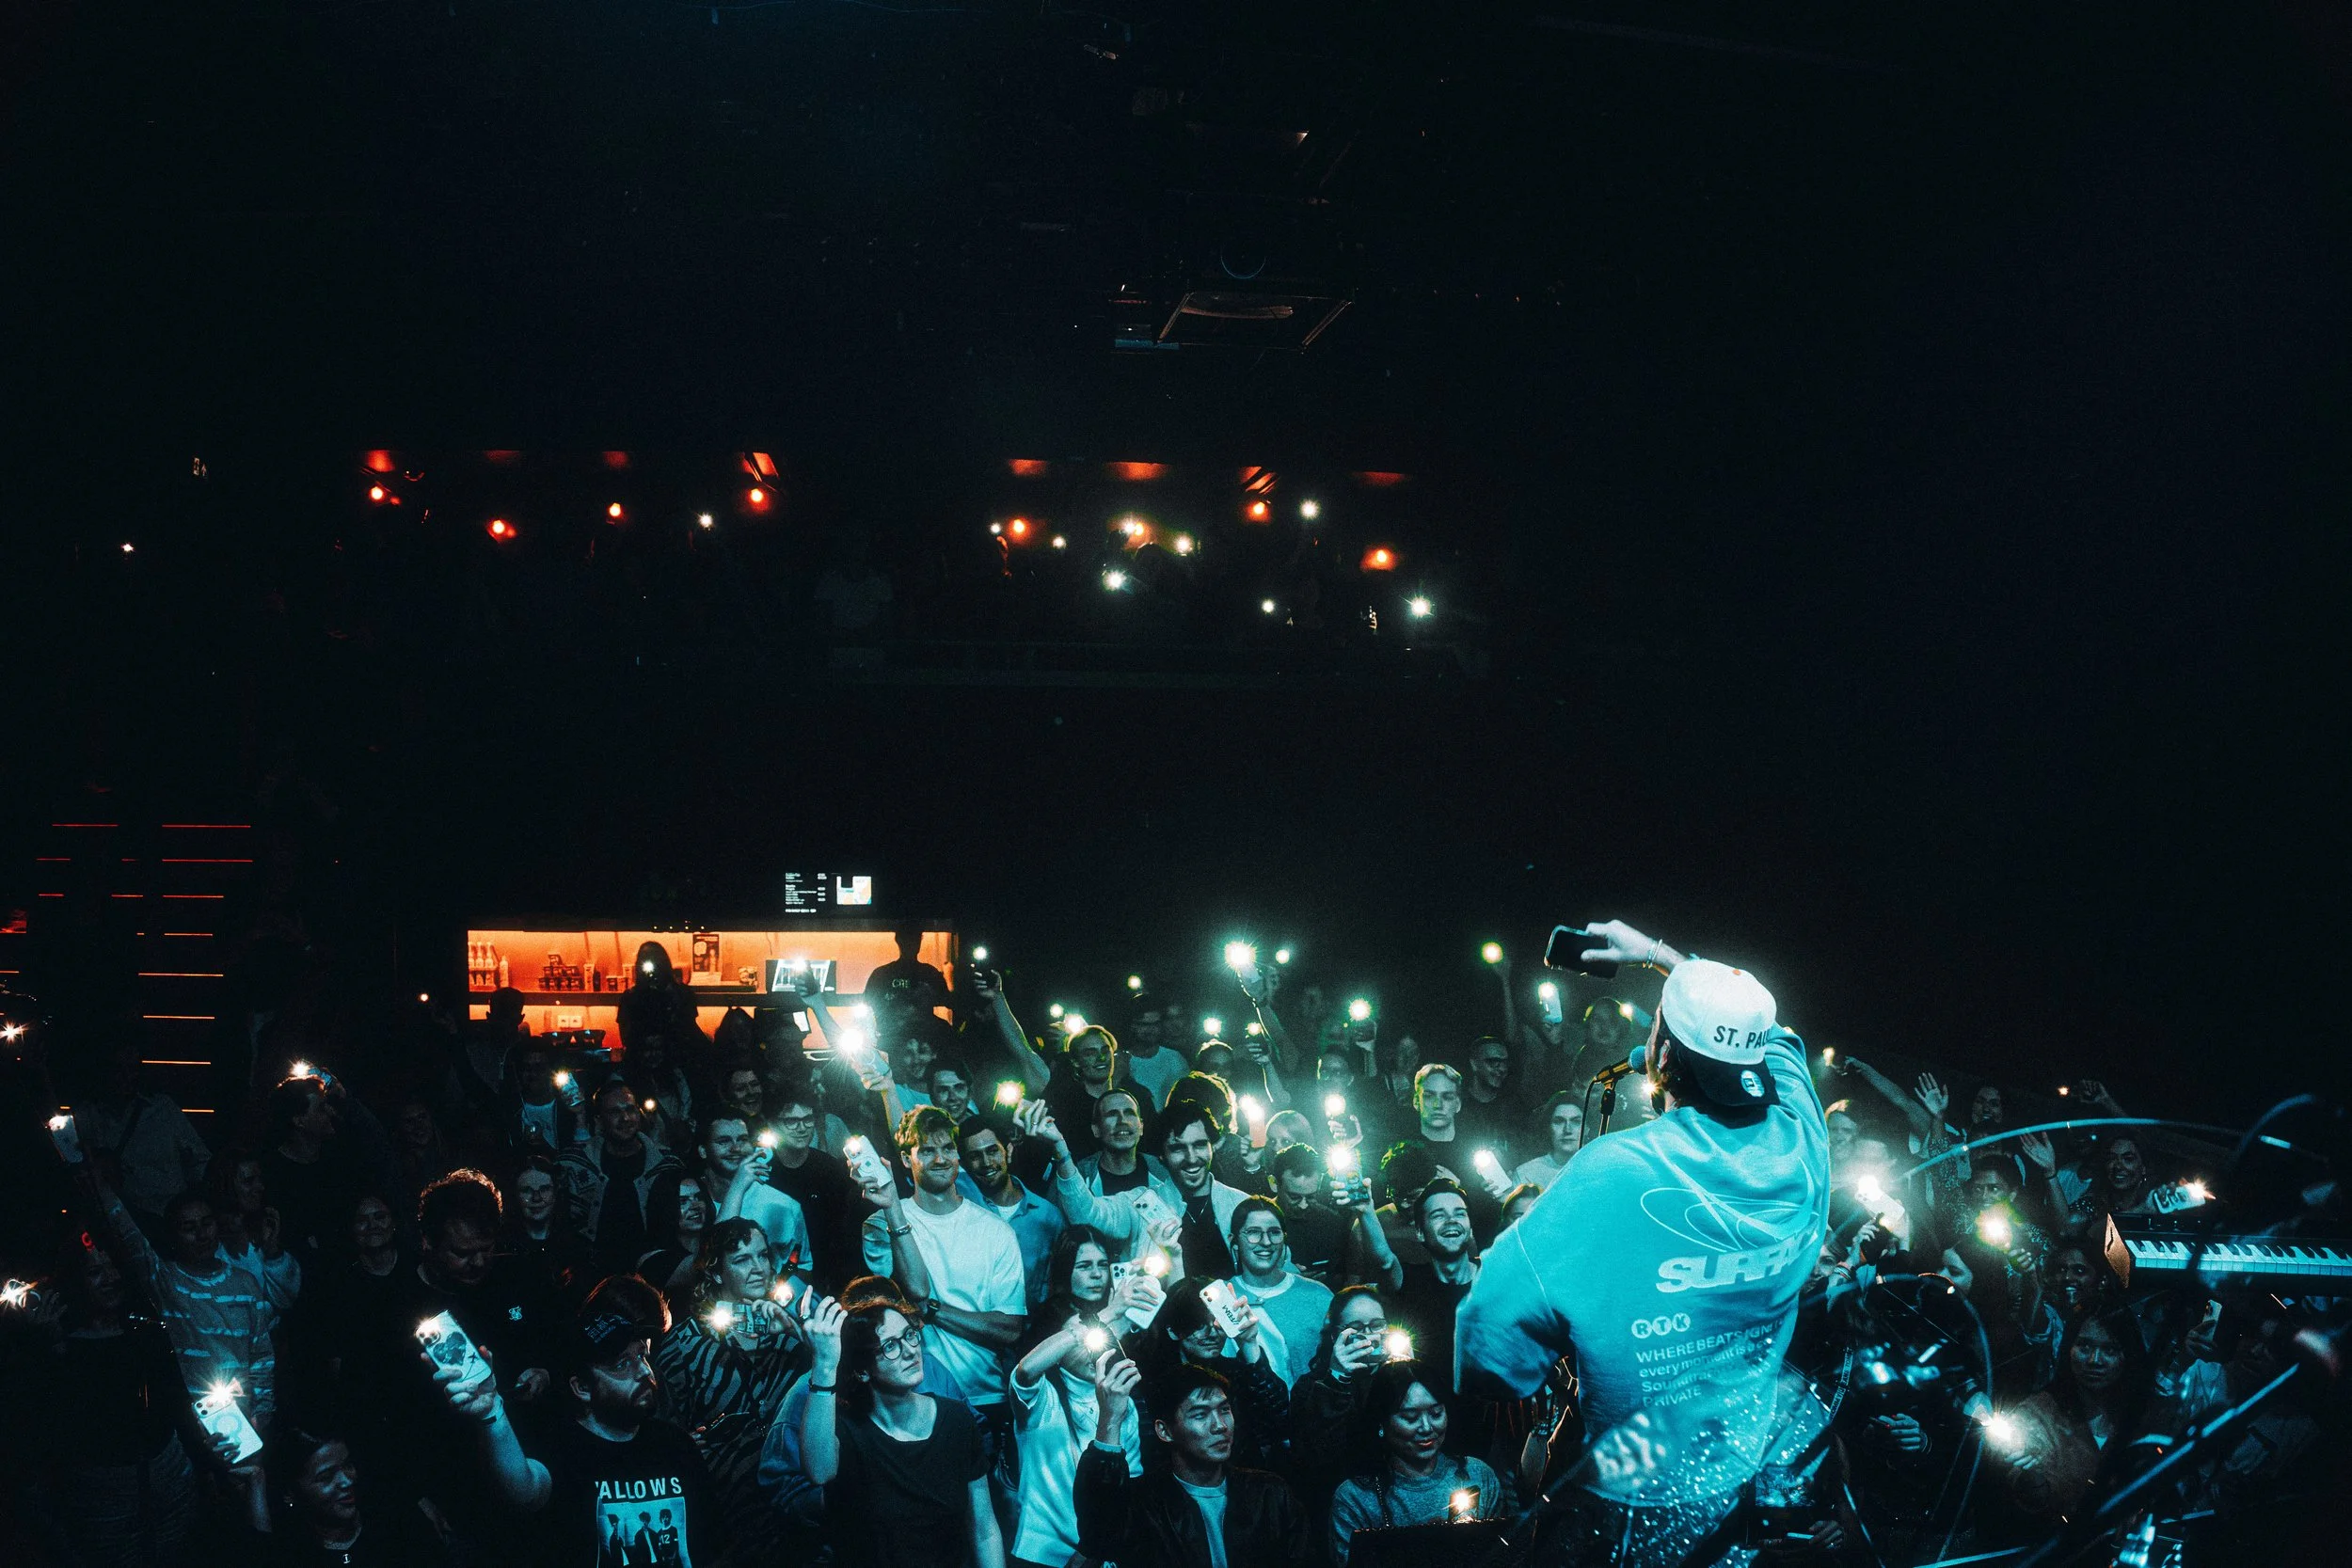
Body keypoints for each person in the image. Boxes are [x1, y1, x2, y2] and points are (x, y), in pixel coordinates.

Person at [1457, 921, 1830, 1561]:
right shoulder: (1804, 1141)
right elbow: (1767, 1036)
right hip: (1753, 1472)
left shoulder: (1613, 1171)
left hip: (1643, 1504)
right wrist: (1664, 958)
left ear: (1660, 1058)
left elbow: (1486, 1348)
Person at [426, 1281, 717, 1568]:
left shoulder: (677, 1445)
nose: (642, 1370)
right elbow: (524, 1491)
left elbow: (712, 1547)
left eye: (641, 1355)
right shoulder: (562, 1446)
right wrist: (492, 1415)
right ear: (582, 1388)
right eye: (620, 1364)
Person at [28, 1233, 215, 1568]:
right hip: (105, 1495)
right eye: (95, 1271)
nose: (110, 1277)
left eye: (112, 1266)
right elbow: (56, 1425)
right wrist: (49, 1349)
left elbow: (175, 1402)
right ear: (75, 1280)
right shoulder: (64, 1346)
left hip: (168, 1474)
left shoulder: (146, 1331)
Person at [800, 1294, 1007, 1568]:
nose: (910, 1350)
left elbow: (984, 1530)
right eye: (890, 1346)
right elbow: (819, 1470)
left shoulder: (955, 1418)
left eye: (910, 1335)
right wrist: (824, 1366)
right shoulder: (845, 1430)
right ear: (862, 1371)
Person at [858, 1105, 1029, 1418]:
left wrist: (934, 1311)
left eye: (948, 1148)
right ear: (905, 1159)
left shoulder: (996, 1231)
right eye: (927, 1150)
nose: (940, 1159)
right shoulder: (880, 1223)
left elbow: (1009, 1329)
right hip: (914, 1398)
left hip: (986, 1396)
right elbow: (910, 1294)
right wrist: (893, 1207)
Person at [654, 1218, 809, 1560]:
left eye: (762, 1256)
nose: (758, 1268)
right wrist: (682, 1443)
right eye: (741, 1260)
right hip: (726, 1515)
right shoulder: (685, 1343)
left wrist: (797, 1333)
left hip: (796, 1512)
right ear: (717, 1272)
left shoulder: (795, 1331)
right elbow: (661, 1431)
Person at [1073, 1357, 1316, 1568]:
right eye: (1200, 1415)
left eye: (1224, 1410)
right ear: (1164, 1431)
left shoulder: (1270, 1494)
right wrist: (1111, 1417)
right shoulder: (1143, 1504)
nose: (1220, 1425)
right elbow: (1098, 1536)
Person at [1986, 1306, 2156, 1528]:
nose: (2095, 1360)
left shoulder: (2143, 1413)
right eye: (2085, 1346)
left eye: (2110, 1349)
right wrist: (2031, 1478)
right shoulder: (2038, 1413)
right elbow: (2037, 1505)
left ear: (2128, 1355)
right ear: (2068, 1349)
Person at [1327, 1361, 1508, 1565]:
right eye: (1410, 1417)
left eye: (1436, 1414)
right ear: (1382, 1423)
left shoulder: (1477, 1474)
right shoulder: (1355, 1498)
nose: (1426, 1427)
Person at [1009, 1307, 1144, 1568]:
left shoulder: (1121, 1400)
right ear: (1057, 1351)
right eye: (1078, 1342)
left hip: (1100, 1552)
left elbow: (1130, 1483)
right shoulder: (1043, 1398)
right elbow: (1025, 1371)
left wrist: (1098, 1548)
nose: (1091, 1349)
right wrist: (1088, 1326)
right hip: (1042, 1552)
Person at [69, 1037, 212, 1232]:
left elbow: (199, 1161)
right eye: (119, 1069)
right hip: (122, 1224)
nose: (127, 1077)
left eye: (133, 1069)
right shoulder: (87, 1116)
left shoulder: (163, 1109)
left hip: (171, 1220)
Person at [556, 1077, 683, 1275]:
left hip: (653, 1277)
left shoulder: (667, 1164)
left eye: (630, 1109)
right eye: (615, 1112)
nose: (625, 1118)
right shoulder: (576, 1163)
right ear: (599, 1120)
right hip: (591, 1277)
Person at [760, 1076, 865, 1292]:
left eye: (808, 1119)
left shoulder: (830, 1169)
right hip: (773, 1277)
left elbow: (845, 1232)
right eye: (791, 1121)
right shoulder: (763, 1170)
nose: (802, 1127)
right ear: (773, 1124)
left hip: (827, 1277)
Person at [961, 1108, 1066, 1303]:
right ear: (964, 1164)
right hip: (975, 1322)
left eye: (992, 1151)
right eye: (975, 1156)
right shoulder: (960, 1203)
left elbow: (1059, 1283)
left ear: (1008, 1151)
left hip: (1033, 1327)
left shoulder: (1048, 1216)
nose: (986, 1163)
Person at [1387, 1180, 1478, 1401]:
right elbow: (1384, 1261)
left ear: (1470, 1227)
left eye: (1460, 1214)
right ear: (1419, 1232)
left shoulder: (1497, 1278)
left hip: (1497, 1418)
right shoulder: (1411, 1281)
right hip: (1432, 1420)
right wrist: (1364, 1210)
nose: (1451, 1221)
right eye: (1438, 1215)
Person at [1228, 1196, 1333, 1386]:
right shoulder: (1224, 1296)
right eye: (1253, 1233)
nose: (1266, 1242)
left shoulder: (1318, 1295)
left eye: (1274, 1233)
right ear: (1234, 1240)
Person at [695, 1113, 812, 1278]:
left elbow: (803, 1267)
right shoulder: (690, 1199)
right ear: (703, 1150)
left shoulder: (783, 1205)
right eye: (724, 1141)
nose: (735, 1148)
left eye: (742, 1140)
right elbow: (710, 1261)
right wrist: (738, 1186)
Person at [506, 1154, 593, 1311]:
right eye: (527, 1190)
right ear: (516, 1195)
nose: (537, 1198)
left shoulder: (578, 1247)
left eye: (544, 1189)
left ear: (556, 1193)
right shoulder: (504, 1248)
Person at [1122, 994, 1189, 1110]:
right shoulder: (1121, 1062)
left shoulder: (1175, 1059)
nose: (1151, 1030)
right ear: (1132, 1025)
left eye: (1155, 1024)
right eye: (1144, 1024)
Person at [1512, 1090, 1584, 1190]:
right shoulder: (1527, 1174)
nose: (1567, 1129)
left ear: (1587, 1128)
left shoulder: (1600, 1169)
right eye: (1559, 1121)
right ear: (1548, 1127)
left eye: (1576, 1122)